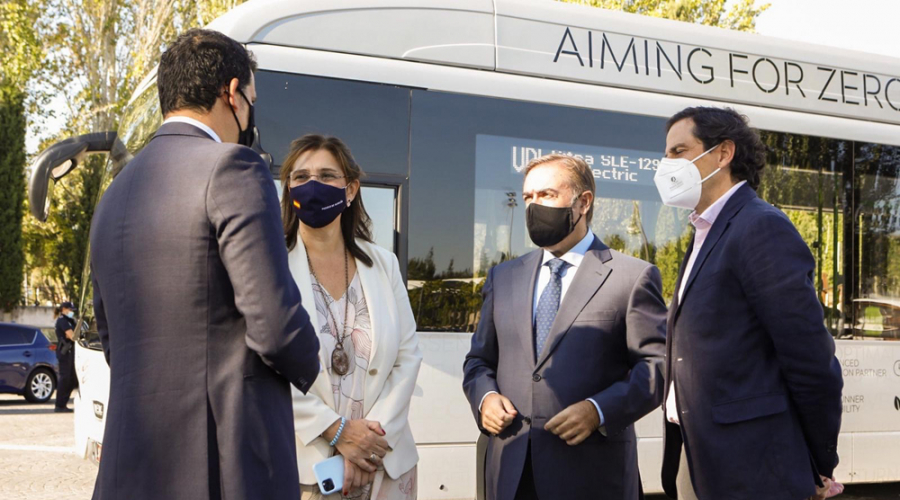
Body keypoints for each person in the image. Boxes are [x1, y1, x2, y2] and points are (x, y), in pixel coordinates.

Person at [88, 29, 320, 500]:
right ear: (232, 93)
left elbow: (112, 338)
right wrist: (314, 363)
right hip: (223, 464)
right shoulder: (232, 167)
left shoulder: (113, 195)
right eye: (252, 99)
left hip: (129, 470)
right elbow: (275, 325)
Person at [655, 107, 844, 500]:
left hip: (752, 468)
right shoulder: (705, 231)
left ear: (723, 154)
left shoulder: (759, 227)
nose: (666, 164)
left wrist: (817, 460)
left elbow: (809, 357)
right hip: (703, 454)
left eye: (679, 151)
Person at [463, 154, 668, 500]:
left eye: (546, 195)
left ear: (583, 202)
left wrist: (598, 410)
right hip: (511, 471)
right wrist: (485, 398)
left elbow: (657, 366)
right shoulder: (504, 276)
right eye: (528, 197)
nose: (533, 206)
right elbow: (479, 361)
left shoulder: (632, 276)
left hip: (592, 475)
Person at [280, 135, 422, 499]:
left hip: (384, 465)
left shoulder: (383, 264)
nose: (313, 185)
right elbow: (265, 368)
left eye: (327, 176)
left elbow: (407, 357)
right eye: (301, 176)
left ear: (351, 189)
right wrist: (338, 433)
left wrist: (367, 447)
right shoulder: (270, 267)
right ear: (288, 188)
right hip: (306, 469)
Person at [53, 301, 76, 413]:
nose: (72, 312)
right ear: (64, 309)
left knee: (71, 378)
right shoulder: (62, 321)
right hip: (64, 352)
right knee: (65, 378)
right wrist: (74, 333)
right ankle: (59, 405)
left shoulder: (70, 321)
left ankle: (63, 404)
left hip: (70, 352)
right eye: (70, 310)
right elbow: (72, 336)